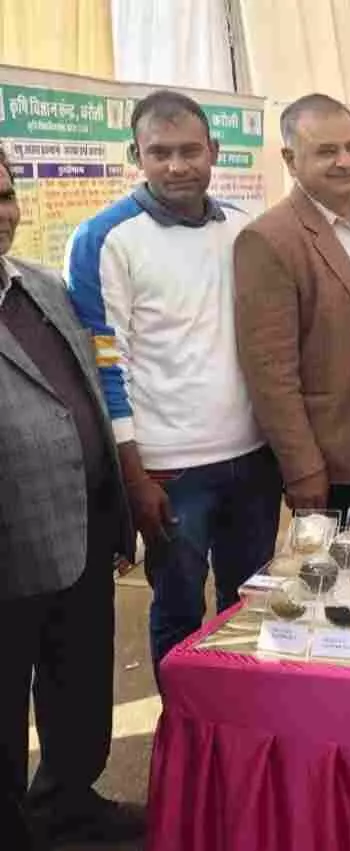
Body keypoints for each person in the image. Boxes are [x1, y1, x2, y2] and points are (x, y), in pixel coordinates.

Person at [66, 90, 282, 668]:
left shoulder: (242, 228)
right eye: (159, 152)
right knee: (180, 610)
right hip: (169, 471)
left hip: (254, 461)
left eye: (190, 151)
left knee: (249, 606)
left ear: (214, 151)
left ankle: (239, 715)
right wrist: (134, 477)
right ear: (134, 155)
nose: (176, 165)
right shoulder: (103, 239)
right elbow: (105, 364)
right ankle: (183, 719)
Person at [0, 148, 143, 847]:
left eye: (4, 195)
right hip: (9, 546)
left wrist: (116, 514)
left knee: (79, 688)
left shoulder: (42, 286)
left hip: (81, 532)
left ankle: (67, 802)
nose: (0, 214)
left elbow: (84, 391)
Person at [235, 94, 350, 517]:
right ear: (290, 160)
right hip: (332, 462)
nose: (347, 161)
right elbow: (271, 373)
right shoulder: (268, 239)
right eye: (327, 151)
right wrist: (302, 467)